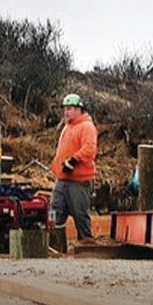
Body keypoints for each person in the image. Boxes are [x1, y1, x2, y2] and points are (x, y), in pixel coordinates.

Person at [51, 94, 98, 240]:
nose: (66, 112)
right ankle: (54, 245)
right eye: (65, 109)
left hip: (79, 181)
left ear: (79, 109)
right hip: (62, 179)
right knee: (54, 214)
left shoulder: (87, 127)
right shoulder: (67, 127)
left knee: (81, 216)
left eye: (69, 109)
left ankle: (87, 247)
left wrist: (73, 161)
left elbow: (89, 149)